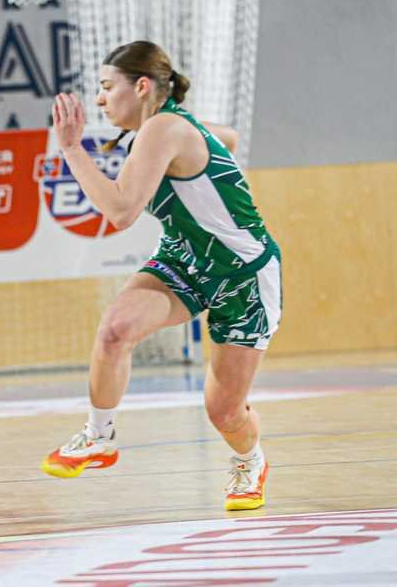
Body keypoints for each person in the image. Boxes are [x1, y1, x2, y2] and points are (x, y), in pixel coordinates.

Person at [41, 41, 282, 511]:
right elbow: (228, 138)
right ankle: (98, 437)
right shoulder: (168, 128)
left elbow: (121, 211)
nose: (100, 99)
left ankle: (250, 460)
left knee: (224, 412)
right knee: (115, 331)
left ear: (141, 86)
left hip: (242, 275)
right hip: (184, 259)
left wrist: (70, 147)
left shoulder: (162, 128)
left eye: (107, 87)